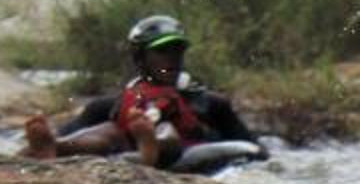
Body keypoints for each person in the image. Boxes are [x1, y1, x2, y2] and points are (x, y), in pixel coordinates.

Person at [23, 15, 263, 170]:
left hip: (179, 148)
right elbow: (78, 129)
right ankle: (59, 148)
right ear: (140, 58)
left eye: (176, 50)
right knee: (109, 132)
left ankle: (149, 148)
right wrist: (50, 141)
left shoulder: (212, 104)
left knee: (165, 132)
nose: (172, 59)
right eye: (162, 51)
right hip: (129, 144)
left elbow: (258, 154)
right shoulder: (110, 105)